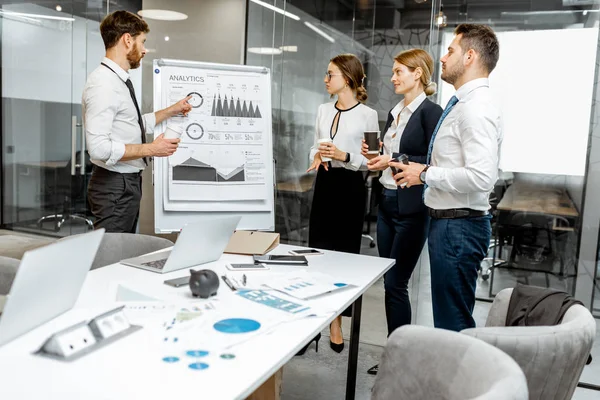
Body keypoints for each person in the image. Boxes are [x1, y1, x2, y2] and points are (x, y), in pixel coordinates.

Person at [391, 24, 502, 332]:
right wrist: (421, 176)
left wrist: (425, 172)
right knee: (448, 320)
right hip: (451, 224)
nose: (442, 58)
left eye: (450, 50)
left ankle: (457, 381)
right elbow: (455, 163)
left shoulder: (475, 108)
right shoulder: (463, 104)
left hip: (459, 227)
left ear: (469, 56)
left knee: (452, 325)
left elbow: (481, 177)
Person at [360, 49, 442, 375]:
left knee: (396, 283)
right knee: (390, 284)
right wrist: (379, 154)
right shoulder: (395, 113)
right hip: (387, 203)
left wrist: (392, 160)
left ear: (418, 73)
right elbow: (395, 152)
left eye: (399, 72)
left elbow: (432, 162)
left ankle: (399, 359)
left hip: (412, 208)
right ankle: (395, 355)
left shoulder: (430, 113)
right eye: (393, 72)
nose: (393, 77)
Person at [83, 10, 192, 233]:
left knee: (121, 252)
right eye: (142, 42)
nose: (144, 50)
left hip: (125, 183)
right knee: (110, 256)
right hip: (114, 185)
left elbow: (131, 125)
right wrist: (152, 148)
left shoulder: (117, 81)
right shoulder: (103, 84)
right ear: (127, 39)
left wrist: (171, 110)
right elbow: (98, 149)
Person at [305, 53, 378, 353]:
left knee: (344, 256)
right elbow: (315, 143)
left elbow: (373, 161)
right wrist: (316, 155)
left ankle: (336, 321)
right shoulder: (323, 109)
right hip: (325, 183)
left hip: (350, 187)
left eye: (330, 74)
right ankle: (313, 323)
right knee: (318, 252)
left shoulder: (368, 115)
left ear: (346, 78)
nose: (325, 79)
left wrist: (344, 156)